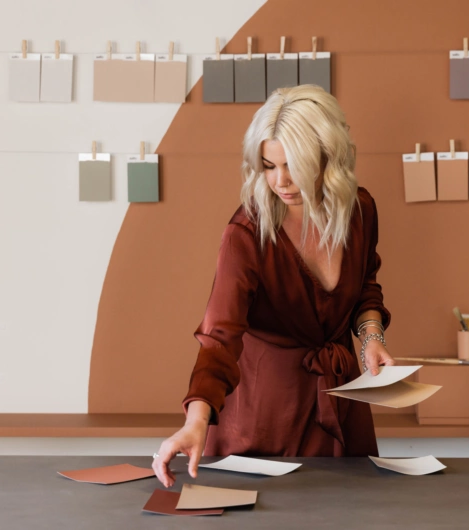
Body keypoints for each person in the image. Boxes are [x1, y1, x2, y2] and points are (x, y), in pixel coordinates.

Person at [152, 85, 394, 488]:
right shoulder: (246, 234)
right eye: (268, 165)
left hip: (340, 403)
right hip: (265, 417)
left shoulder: (360, 211)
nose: (280, 181)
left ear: (328, 160)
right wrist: (196, 421)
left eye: (294, 166)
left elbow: (365, 287)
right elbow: (218, 338)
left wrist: (371, 337)